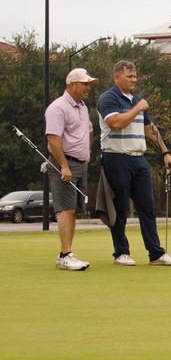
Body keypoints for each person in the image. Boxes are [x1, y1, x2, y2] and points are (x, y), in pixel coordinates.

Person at [97, 60, 171, 266]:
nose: (134, 80)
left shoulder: (136, 100)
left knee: (147, 207)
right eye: (129, 76)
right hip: (116, 157)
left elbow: (148, 128)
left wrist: (165, 152)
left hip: (138, 158)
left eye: (135, 76)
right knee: (119, 207)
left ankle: (156, 253)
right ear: (117, 77)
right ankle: (121, 253)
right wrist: (138, 107)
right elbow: (115, 123)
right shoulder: (109, 98)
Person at [45, 68, 98, 271]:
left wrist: (87, 154)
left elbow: (90, 131)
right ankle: (65, 255)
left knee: (74, 210)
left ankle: (67, 253)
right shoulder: (58, 108)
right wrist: (64, 166)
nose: (88, 88)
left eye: (89, 84)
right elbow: (53, 138)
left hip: (79, 164)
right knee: (66, 210)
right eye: (85, 84)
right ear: (72, 84)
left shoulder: (82, 107)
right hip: (64, 164)